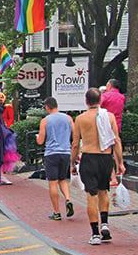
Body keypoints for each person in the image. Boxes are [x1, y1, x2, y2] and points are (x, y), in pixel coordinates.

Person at [71, 88, 125, 245]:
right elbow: (117, 140)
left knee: (91, 195)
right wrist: (120, 163)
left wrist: (72, 162)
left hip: (89, 157)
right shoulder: (108, 117)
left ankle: (95, 234)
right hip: (105, 158)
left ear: (87, 101)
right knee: (104, 192)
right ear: (100, 100)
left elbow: (75, 144)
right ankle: (105, 224)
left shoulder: (80, 119)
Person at [36, 97, 75, 221]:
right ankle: (68, 199)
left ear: (47, 107)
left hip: (51, 153)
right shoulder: (68, 118)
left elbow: (41, 140)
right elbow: (75, 133)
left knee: (53, 182)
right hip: (65, 152)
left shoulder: (45, 121)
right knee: (63, 179)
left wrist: (37, 138)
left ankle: (57, 212)